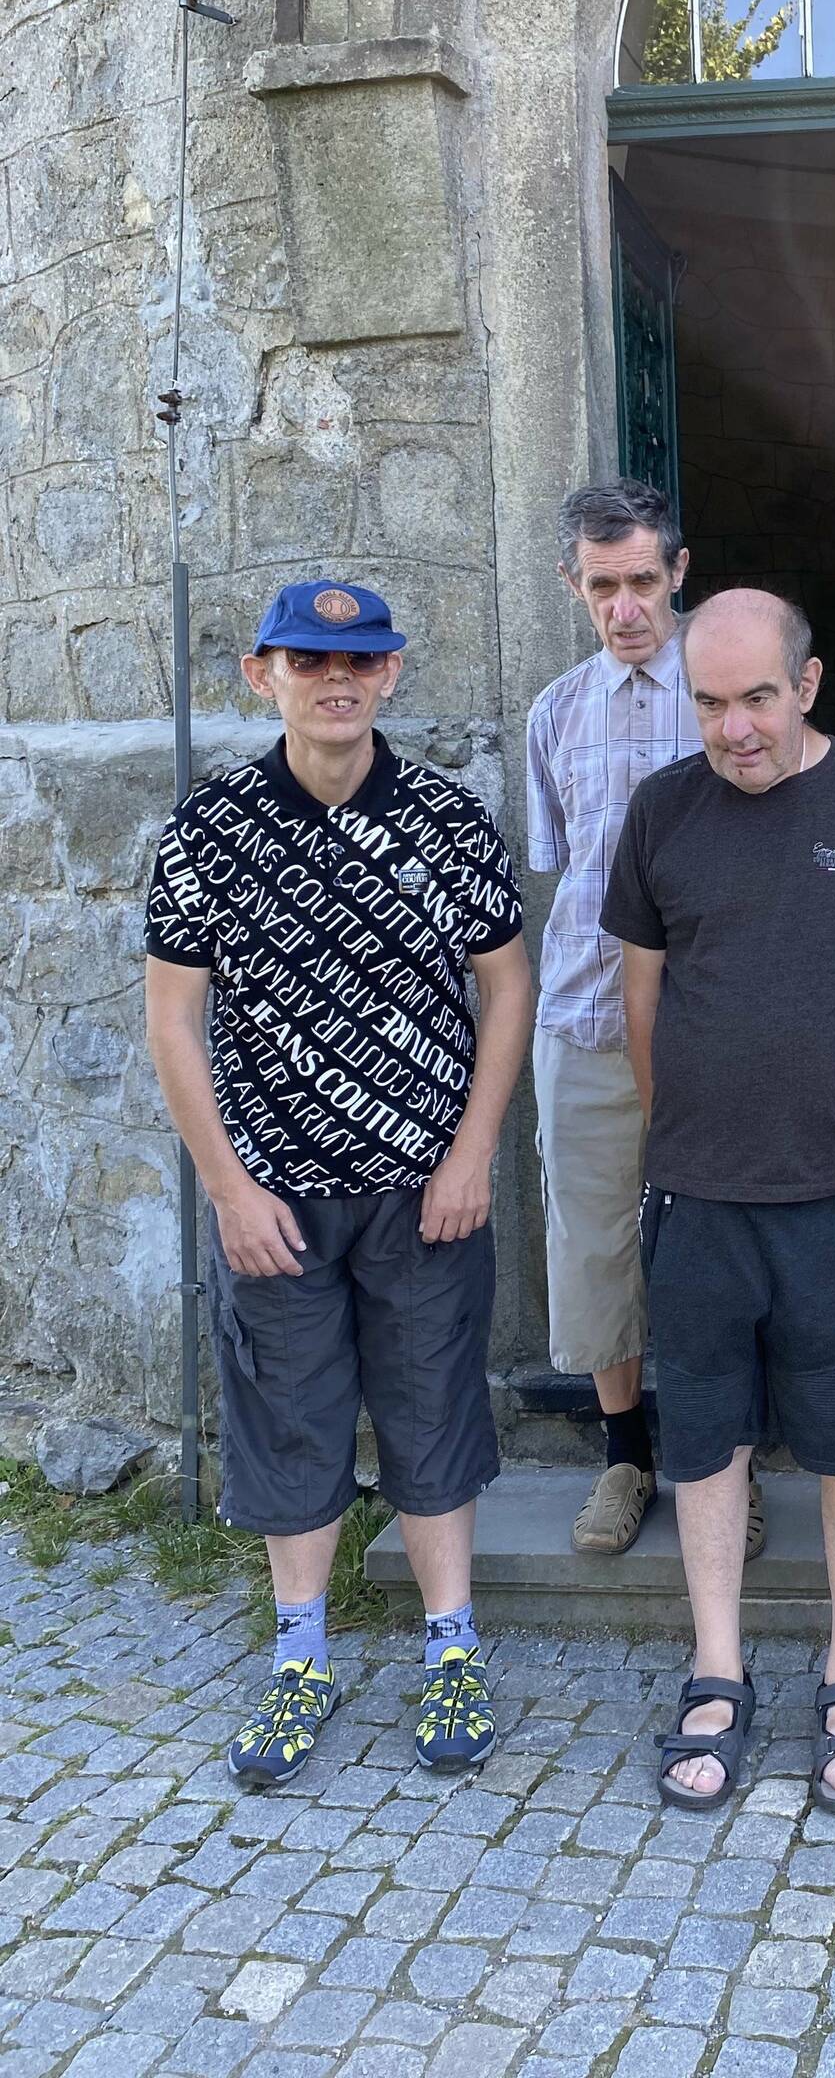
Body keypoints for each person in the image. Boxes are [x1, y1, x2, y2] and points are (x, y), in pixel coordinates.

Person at [144, 580, 533, 1787]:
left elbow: (507, 985)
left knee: (433, 1410)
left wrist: (471, 1151)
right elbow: (173, 1020)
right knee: (289, 1418)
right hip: (274, 1197)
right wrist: (226, 1187)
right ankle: (300, 1656)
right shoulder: (207, 831)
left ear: (392, 672)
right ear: (263, 673)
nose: (336, 679)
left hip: (425, 1191)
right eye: (309, 659)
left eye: (359, 659)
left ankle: (452, 1646)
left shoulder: (447, 820)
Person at [600, 589, 835, 1813]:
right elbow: (642, 999)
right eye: (710, 703)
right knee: (704, 1434)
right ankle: (718, 1664)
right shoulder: (661, 810)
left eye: (757, 697)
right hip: (699, 1194)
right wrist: (683, 1139)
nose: (735, 727)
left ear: (806, 684)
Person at [526, 481, 764, 1562]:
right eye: (600, 586)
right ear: (571, 584)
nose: (624, 608)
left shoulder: (729, 698)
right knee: (594, 1248)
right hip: (584, 1015)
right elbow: (565, 870)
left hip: (716, 1020)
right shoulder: (554, 712)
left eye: (640, 581)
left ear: (678, 571)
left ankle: (730, 1465)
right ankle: (625, 1457)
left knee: (726, 1249)